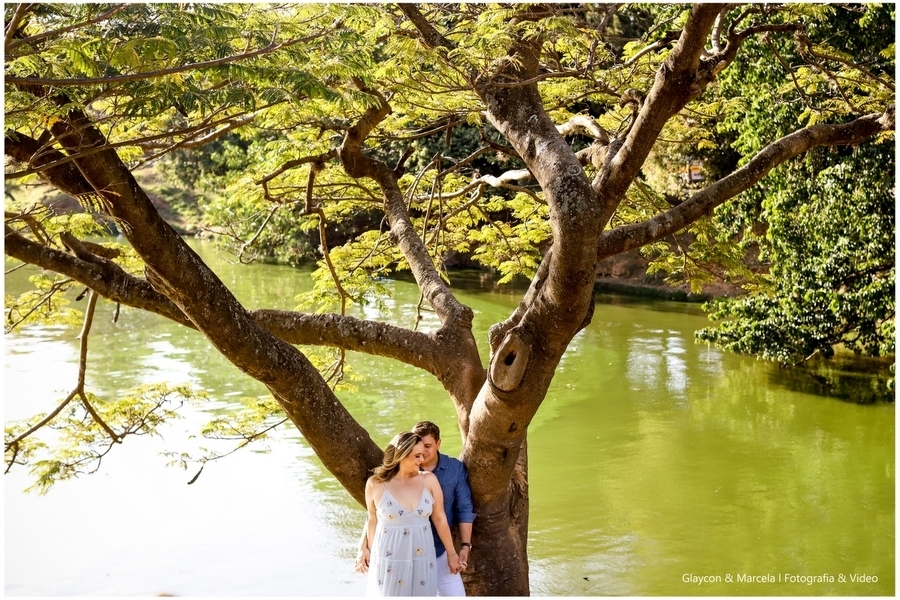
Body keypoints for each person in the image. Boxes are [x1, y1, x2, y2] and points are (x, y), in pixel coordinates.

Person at [357, 422, 476, 596]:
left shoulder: (430, 479)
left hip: (426, 554)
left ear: (438, 444)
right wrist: (366, 548)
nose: (421, 459)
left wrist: (454, 552)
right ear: (402, 455)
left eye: (425, 451)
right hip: (389, 557)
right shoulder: (375, 484)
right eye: (417, 455)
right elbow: (373, 518)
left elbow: (441, 517)